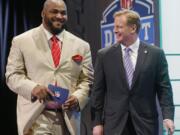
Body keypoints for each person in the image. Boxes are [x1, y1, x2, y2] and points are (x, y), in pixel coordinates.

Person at [5, 0, 93, 135]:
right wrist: (32, 88)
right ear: (43, 13)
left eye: (63, 13)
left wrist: (78, 98)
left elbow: (87, 80)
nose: (59, 16)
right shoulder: (21, 41)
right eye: (54, 11)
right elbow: (12, 75)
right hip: (36, 117)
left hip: (68, 119)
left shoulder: (82, 46)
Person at [91, 10, 175, 135]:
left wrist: (168, 117)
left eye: (119, 27)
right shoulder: (104, 55)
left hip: (145, 124)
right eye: (114, 27)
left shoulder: (155, 54)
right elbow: (98, 92)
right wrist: (97, 123)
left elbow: (164, 89)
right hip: (115, 125)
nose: (114, 30)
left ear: (133, 28)